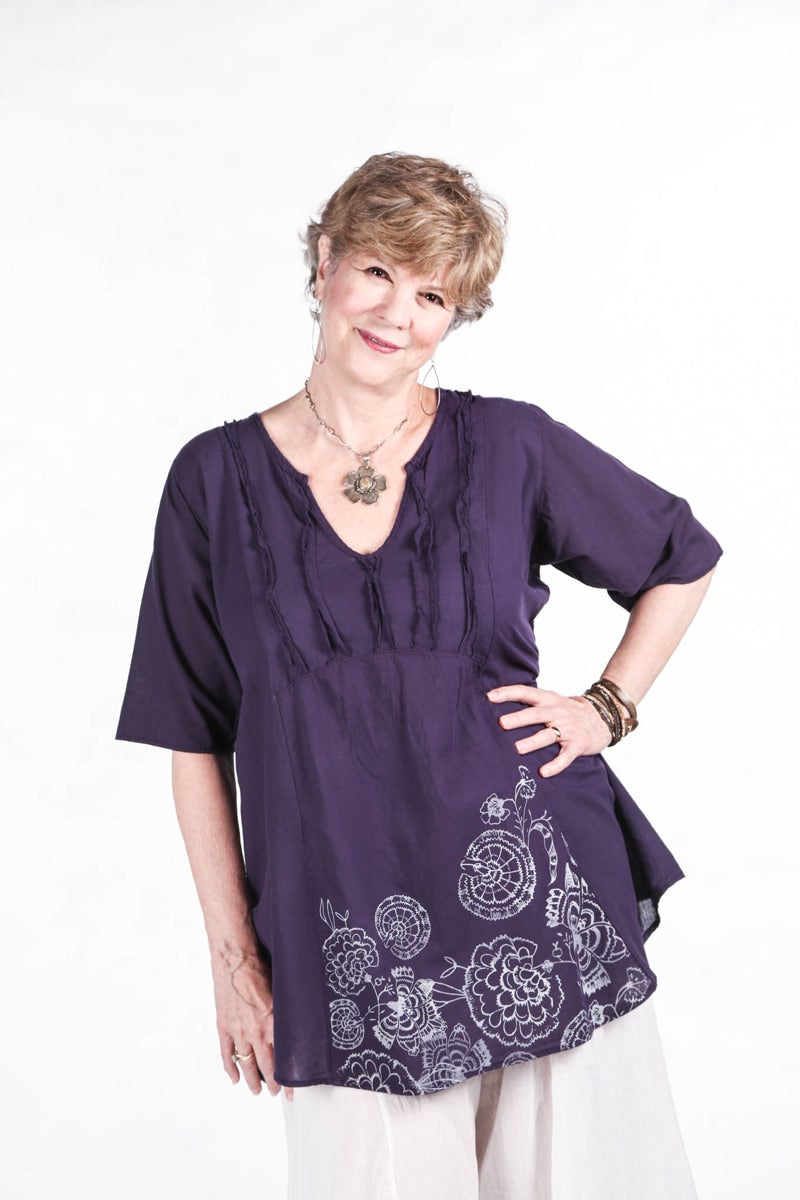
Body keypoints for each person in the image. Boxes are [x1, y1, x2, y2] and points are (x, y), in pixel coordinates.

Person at [116, 151, 722, 1199]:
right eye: (378, 272)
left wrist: (605, 707)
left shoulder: (510, 444)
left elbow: (681, 557)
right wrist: (235, 962)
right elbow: (191, 735)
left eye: (433, 295)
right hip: (341, 926)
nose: (397, 313)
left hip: (538, 892)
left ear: (455, 315)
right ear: (324, 263)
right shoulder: (212, 481)